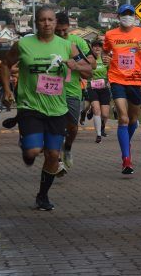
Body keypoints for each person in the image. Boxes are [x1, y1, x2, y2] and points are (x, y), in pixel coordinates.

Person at [0, 6, 92, 210]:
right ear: (36, 23)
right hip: (29, 105)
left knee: (52, 156)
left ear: (55, 23)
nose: (47, 23)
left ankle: (42, 195)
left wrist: (76, 66)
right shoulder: (23, 44)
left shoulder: (67, 46)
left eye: (51, 20)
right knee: (33, 150)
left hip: (57, 109)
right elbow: (5, 65)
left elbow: (89, 69)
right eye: (42, 20)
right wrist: (7, 90)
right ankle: (28, 148)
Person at [103, 4, 141, 174]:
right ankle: (126, 159)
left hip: (136, 81)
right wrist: (105, 60)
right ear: (118, 16)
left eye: (131, 14)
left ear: (135, 17)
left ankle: (126, 141)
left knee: (132, 120)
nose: (128, 17)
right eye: (124, 14)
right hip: (117, 79)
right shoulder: (110, 34)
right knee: (123, 119)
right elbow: (105, 52)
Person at [54, 12, 97, 169]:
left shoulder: (77, 42)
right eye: (57, 31)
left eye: (64, 30)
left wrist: (77, 64)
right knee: (55, 126)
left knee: (72, 127)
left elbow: (91, 65)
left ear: (69, 27)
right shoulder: (47, 43)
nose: (61, 34)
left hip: (72, 91)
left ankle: (68, 148)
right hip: (52, 91)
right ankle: (57, 161)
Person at [87, 40, 111, 143]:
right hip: (92, 88)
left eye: (99, 47)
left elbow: (111, 72)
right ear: (91, 48)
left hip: (104, 88)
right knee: (97, 110)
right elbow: (85, 72)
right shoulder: (89, 59)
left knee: (105, 115)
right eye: (95, 47)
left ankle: (102, 128)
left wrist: (109, 82)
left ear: (102, 48)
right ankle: (98, 135)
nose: (97, 48)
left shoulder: (105, 60)